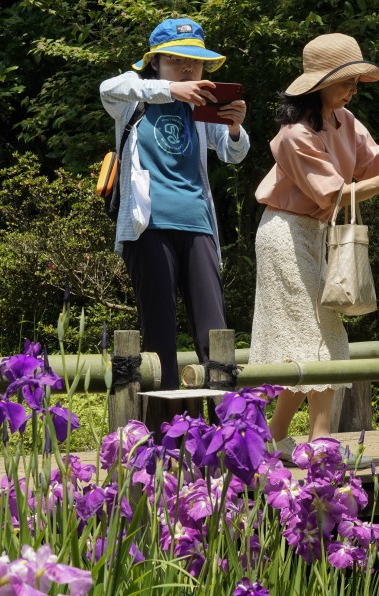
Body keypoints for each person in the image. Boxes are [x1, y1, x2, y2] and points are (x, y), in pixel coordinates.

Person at [251, 33, 379, 453]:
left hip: (319, 234)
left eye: (355, 82)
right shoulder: (293, 135)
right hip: (286, 234)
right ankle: (319, 442)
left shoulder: (346, 120)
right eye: (346, 82)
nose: (353, 90)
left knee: (316, 336)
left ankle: (277, 438)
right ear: (319, 84)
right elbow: (335, 195)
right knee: (317, 336)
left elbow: (373, 160)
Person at [100, 17, 249, 390]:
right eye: (177, 60)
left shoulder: (202, 106)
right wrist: (172, 89)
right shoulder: (133, 99)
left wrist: (234, 127)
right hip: (148, 225)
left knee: (214, 332)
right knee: (160, 334)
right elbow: (108, 88)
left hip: (198, 222)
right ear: (155, 62)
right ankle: (162, 433)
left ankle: (227, 430)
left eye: (195, 62)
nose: (188, 69)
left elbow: (234, 154)